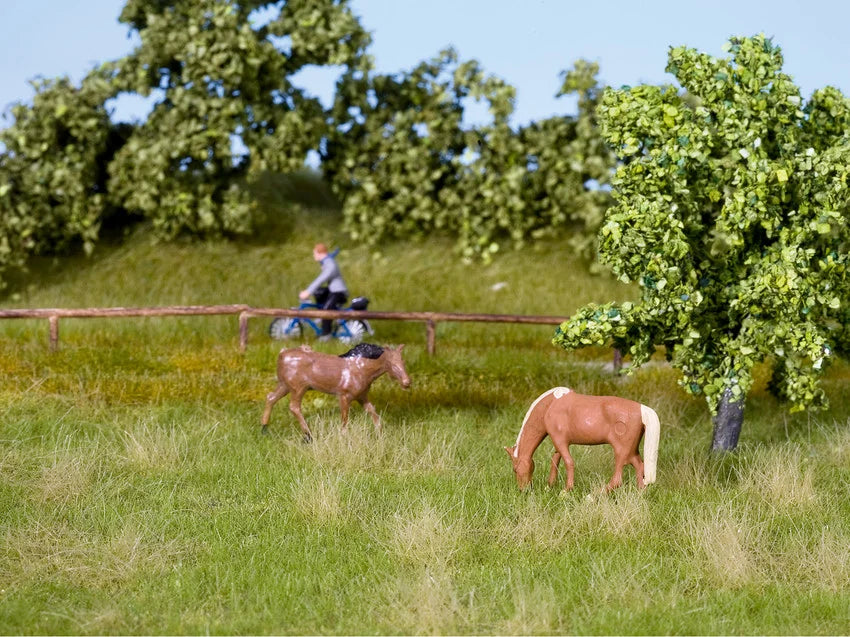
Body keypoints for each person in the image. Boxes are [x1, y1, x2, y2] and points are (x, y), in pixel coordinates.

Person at [299, 243, 349, 341]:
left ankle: (326, 334)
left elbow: (321, 279)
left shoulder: (330, 264)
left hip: (339, 292)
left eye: (314, 253)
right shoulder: (327, 262)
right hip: (333, 290)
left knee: (327, 310)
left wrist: (308, 292)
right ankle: (321, 317)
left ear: (320, 253)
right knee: (318, 292)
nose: (314, 256)